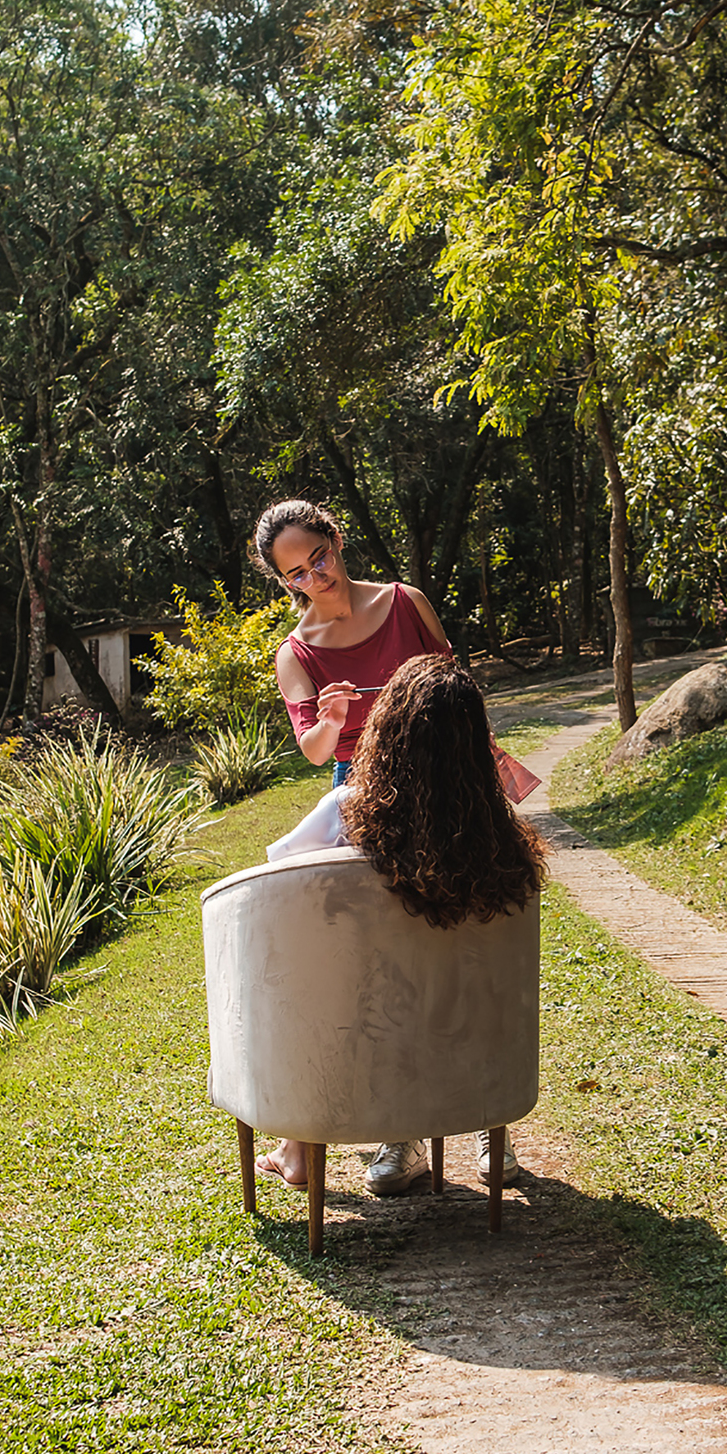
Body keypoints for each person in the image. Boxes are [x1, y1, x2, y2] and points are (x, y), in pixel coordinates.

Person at [254, 654, 548, 1197]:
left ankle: (388, 1139)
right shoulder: (503, 841)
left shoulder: (345, 812)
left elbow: (277, 895)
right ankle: (493, 1134)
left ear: (385, 733)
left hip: (372, 1045)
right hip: (482, 1051)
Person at [250, 499, 451, 788]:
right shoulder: (294, 654)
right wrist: (329, 724)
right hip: (362, 788)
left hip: (443, 763)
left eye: (321, 558)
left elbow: (459, 691)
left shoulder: (408, 601)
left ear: (336, 538)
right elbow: (314, 752)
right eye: (300, 574)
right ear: (288, 583)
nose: (318, 578)